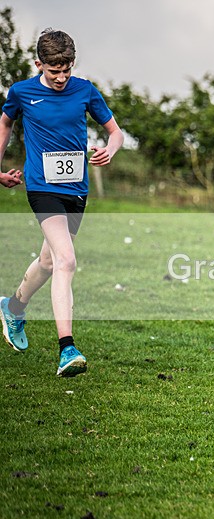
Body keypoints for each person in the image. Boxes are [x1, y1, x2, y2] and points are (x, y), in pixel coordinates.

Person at [0, 29, 123, 377]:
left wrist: (109, 150)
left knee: (49, 261)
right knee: (66, 260)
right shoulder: (22, 92)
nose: (61, 77)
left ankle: (13, 306)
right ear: (39, 64)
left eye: (66, 69)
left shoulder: (85, 90)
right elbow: (6, 122)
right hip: (42, 187)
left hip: (76, 190)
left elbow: (116, 132)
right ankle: (66, 348)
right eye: (54, 71)